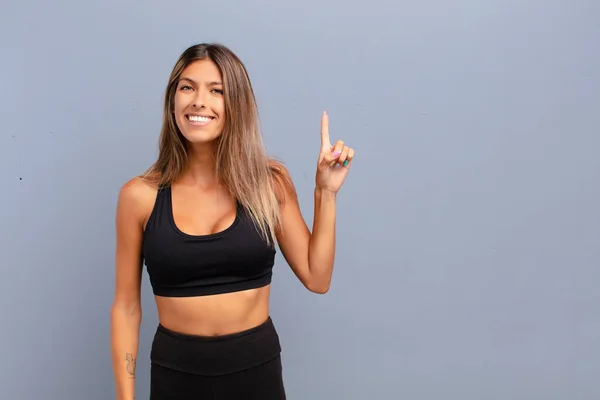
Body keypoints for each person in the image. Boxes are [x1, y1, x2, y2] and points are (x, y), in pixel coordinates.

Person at [110, 42, 355, 400]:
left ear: (236, 104)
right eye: (187, 87)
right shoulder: (139, 196)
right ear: (172, 100)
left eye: (217, 91)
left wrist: (326, 193)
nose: (198, 101)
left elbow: (317, 278)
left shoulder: (269, 183)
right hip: (176, 376)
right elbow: (127, 308)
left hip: (256, 375)